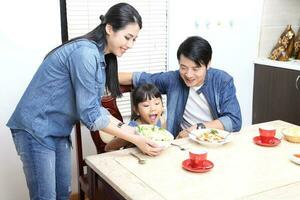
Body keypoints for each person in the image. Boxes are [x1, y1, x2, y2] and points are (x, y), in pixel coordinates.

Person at [6, 3, 163, 200]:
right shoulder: (85, 53)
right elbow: (91, 116)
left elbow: (95, 109)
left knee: (63, 193)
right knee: (45, 197)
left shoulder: (100, 57)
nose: (130, 45)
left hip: (58, 131)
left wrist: (133, 131)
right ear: (109, 29)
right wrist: (135, 138)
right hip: (35, 129)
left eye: (134, 39)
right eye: (127, 37)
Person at [119, 36, 242, 138]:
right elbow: (138, 78)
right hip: (182, 143)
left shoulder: (222, 81)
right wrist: (102, 78)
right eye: (183, 67)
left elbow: (234, 121)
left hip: (213, 139)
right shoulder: (174, 79)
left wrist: (198, 128)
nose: (188, 75)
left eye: (195, 69)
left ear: (208, 64)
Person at [105, 83, 166, 151]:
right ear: (136, 110)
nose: (153, 108)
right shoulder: (132, 129)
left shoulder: (161, 121)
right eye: (146, 105)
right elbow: (109, 148)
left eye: (157, 103)